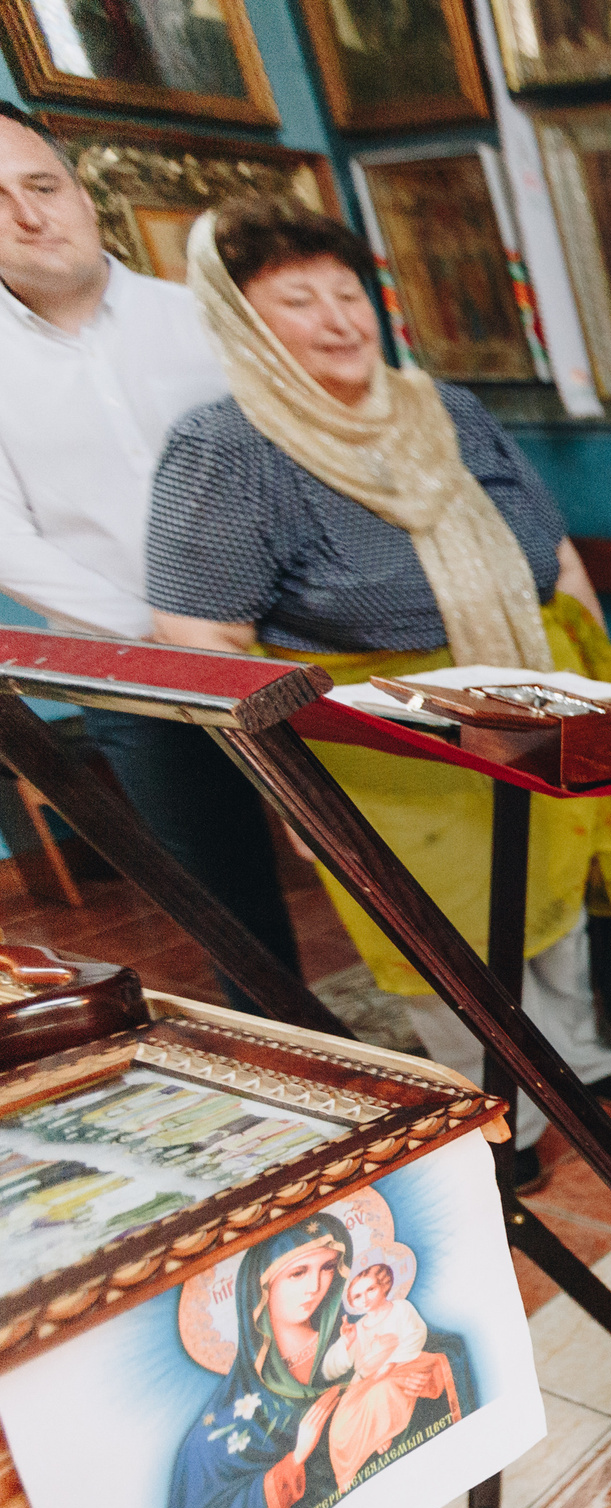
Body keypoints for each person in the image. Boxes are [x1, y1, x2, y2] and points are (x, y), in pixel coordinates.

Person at [142, 197, 611, 1189]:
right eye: (298, 301)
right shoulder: (229, 447)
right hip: (383, 732)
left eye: (348, 293)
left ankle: (582, 1061)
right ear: (242, 323)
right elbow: (198, 631)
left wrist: (599, 679)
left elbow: (548, 548)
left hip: (532, 684)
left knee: (554, 890)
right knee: (444, 927)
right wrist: (285, 778)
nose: (339, 318)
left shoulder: (446, 409)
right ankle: (497, 1110)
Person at [0, 104, 303, 1005]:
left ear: (83, 194)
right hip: (138, 681)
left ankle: (485, 1053)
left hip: (293, 646)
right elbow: (6, 541)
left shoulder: (211, 322)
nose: (29, 215)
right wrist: (174, 634)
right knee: (228, 901)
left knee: (397, 863)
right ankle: (312, 1072)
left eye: (43, 185)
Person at [166, 1214, 354, 1508]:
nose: (315, 1286)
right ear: (261, 1290)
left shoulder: (348, 1346)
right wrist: (296, 1459)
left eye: (325, 1269)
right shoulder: (223, 1424)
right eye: (298, 1273)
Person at [319, 1261, 454, 1491]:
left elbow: (415, 1333)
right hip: (366, 1382)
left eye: (370, 1289)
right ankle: (353, 1469)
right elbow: (329, 1369)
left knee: (384, 1391)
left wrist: (391, 1363)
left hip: (403, 1366)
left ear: (384, 1285)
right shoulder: (358, 1328)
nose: (366, 1298)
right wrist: (347, 1343)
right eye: (358, 1296)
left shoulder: (400, 1309)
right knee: (340, 1426)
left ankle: (382, 1434)